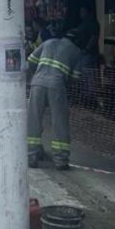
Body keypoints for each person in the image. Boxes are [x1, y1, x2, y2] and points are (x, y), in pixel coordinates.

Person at [27, 30, 83, 170]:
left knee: (33, 119)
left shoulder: (48, 43)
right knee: (59, 122)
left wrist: (38, 75)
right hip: (57, 86)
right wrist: (64, 82)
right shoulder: (76, 51)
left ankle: (31, 155)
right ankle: (60, 160)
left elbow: (30, 61)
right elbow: (75, 77)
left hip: (37, 83)